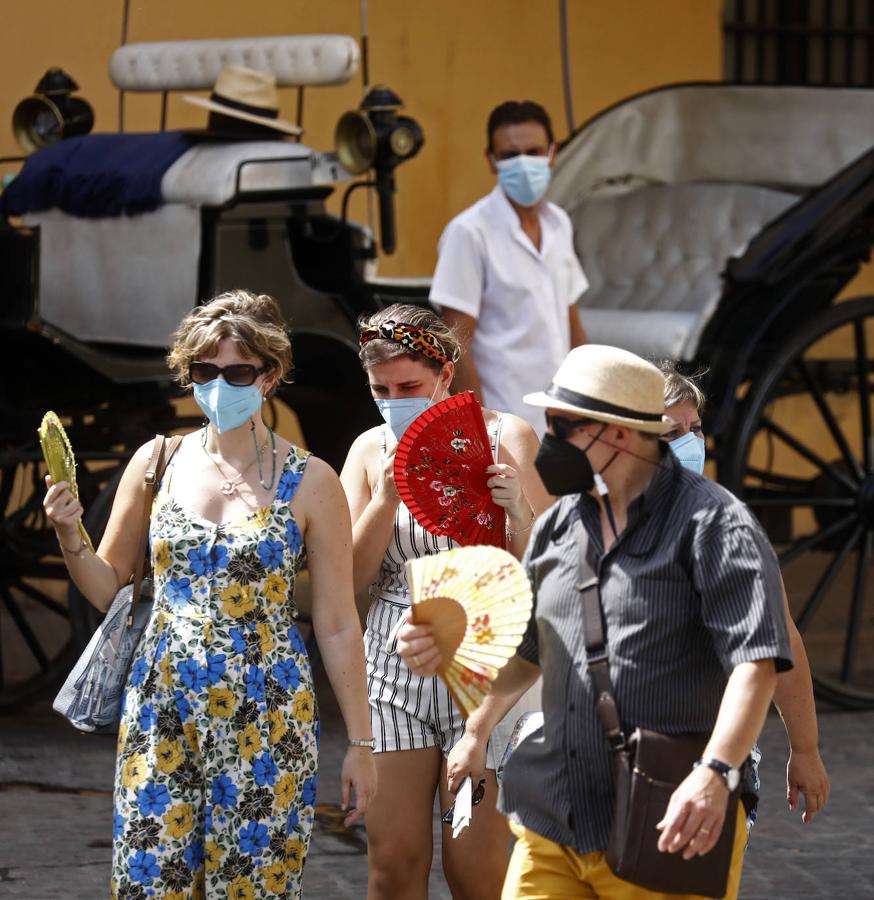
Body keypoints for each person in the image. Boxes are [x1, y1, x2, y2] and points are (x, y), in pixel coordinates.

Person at [397, 344, 794, 900]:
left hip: (665, 817)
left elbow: (757, 664)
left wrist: (714, 773)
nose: (550, 441)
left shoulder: (717, 526)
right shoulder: (560, 523)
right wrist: (476, 726)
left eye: (566, 427)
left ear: (621, 435)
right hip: (555, 817)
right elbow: (533, 648)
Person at [43, 290, 376, 899]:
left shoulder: (313, 481)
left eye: (238, 372)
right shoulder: (156, 462)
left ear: (270, 375)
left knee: (254, 887)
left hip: (270, 718)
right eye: (204, 371)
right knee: (151, 883)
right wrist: (70, 536)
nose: (219, 385)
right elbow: (105, 585)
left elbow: (335, 621)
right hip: (160, 709)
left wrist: (360, 743)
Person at [339, 304, 551, 900]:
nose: (394, 400)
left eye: (409, 386)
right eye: (380, 389)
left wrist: (520, 512)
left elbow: (548, 567)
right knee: (394, 865)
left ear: (445, 374)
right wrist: (384, 498)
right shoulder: (366, 449)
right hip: (391, 661)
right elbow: (351, 578)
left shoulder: (506, 435)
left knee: (476, 872)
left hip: (484, 656)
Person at [658, 362, 830, 828]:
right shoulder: (588, 523)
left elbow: (781, 645)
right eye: (672, 432)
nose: (691, 443)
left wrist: (806, 749)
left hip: (708, 757)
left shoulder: (730, 530)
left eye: (695, 429)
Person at [430, 100, 588, 436]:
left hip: (561, 422)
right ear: (491, 159)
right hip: (507, 424)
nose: (523, 163)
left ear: (552, 152)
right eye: (509, 155)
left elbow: (571, 322)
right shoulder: (469, 232)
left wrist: (589, 407)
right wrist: (484, 428)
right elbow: (457, 342)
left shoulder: (559, 223)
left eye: (533, 151)